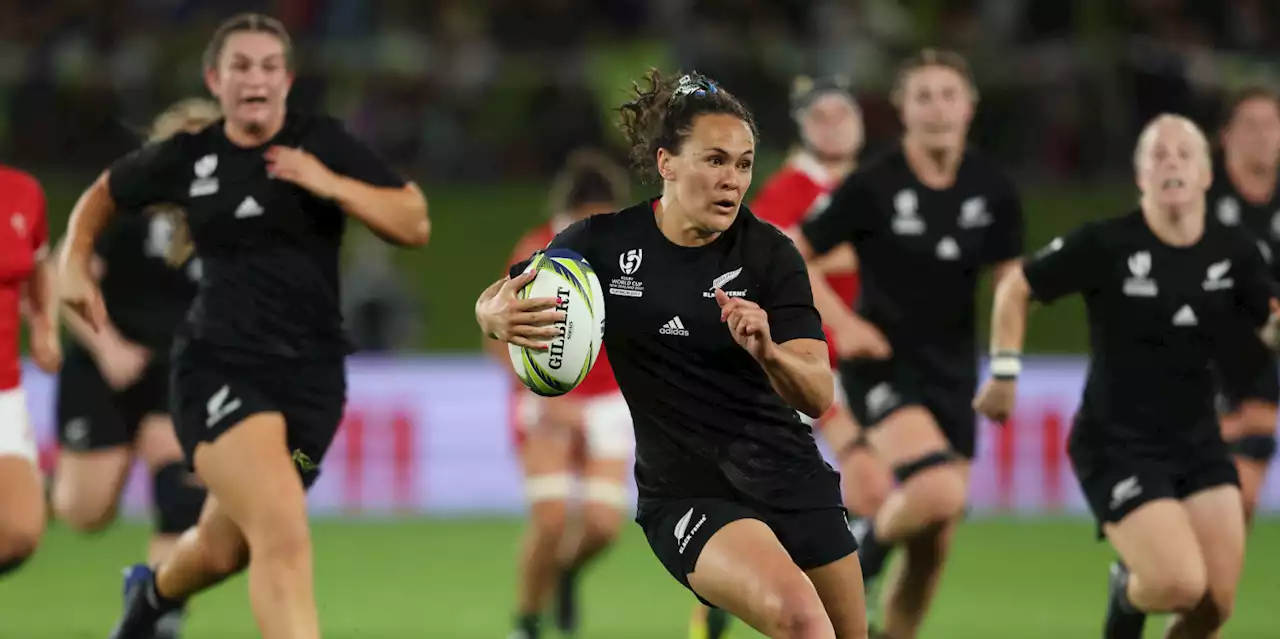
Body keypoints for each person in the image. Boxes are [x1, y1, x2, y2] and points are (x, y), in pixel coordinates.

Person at [57, 13, 430, 639]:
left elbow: (414, 221)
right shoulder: (191, 155)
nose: (254, 78)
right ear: (216, 79)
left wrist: (329, 183)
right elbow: (105, 193)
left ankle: (148, 601)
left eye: (266, 66)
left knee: (223, 549)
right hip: (220, 368)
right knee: (282, 532)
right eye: (239, 66)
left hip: (313, 383)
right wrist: (72, 258)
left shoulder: (322, 144)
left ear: (286, 79)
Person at [478, 69, 868, 639]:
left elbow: (817, 389)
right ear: (667, 163)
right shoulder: (601, 245)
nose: (732, 180)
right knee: (803, 622)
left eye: (743, 164)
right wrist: (492, 317)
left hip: (790, 480)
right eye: (714, 160)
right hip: (690, 495)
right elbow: (503, 296)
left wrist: (769, 353)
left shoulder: (771, 255)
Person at [974, 114, 1274, 639]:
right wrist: (1004, 372)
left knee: (1215, 605)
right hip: (1117, 444)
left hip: (1199, 442)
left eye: (1185, 154)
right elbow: (1015, 288)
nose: (1172, 163)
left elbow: (1265, 326)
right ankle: (1126, 592)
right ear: (1140, 177)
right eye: (1158, 155)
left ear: (1207, 174)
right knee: (1178, 583)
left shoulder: (1236, 253)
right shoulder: (1107, 244)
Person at [792, 49, 1024, 638]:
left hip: (954, 375)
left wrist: (1004, 369)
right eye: (923, 96)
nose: (937, 108)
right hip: (884, 366)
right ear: (901, 109)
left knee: (933, 544)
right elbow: (795, 252)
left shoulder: (993, 189)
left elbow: (1010, 286)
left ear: (969, 107)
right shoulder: (873, 184)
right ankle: (856, 553)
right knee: (937, 490)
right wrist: (843, 324)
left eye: (949, 95)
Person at [691, 75, 890, 639]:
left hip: (867, 366)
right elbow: (782, 262)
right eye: (820, 116)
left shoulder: (873, 187)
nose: (833, 124)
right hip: (799, 360)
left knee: (864, 496)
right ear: (802, 126)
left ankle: (813, 588)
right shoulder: (786, 190)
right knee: (860, 489)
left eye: (841, 113)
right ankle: (828, 592)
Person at [48, 97, 219, 637]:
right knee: (84, 512)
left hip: (177, 373)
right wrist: (107, 348)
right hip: (105, 367)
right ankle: (43, 487)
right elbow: (65, 274)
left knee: (181, 494)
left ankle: (155, 615)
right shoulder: (125, 202)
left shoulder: (233, 218)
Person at [492, 149, 633, 639]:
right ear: (568, 213)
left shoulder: (627, 252)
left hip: (609, 401)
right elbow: (499, 337)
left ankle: (566, 574)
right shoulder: (536, 255)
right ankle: (527, 622)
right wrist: (547, 401)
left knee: (602, 527)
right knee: (552, 521)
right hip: (548, 400)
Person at [1208, 85, 1280, 526]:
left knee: (1242, 501)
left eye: (1270, 124)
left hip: (1260, 361)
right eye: (1248, 125)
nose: (1261, 135)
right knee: (1207, 490)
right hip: (1197, 355)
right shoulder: (1201, 196)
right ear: (1225, 136)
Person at [0, 164, 60, 579]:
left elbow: (40, 264)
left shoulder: (22, 191)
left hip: (5, 387)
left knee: (19, 533)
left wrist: (45, 325)